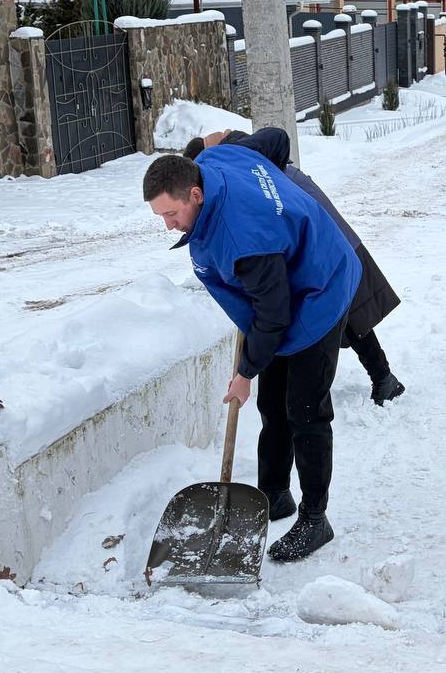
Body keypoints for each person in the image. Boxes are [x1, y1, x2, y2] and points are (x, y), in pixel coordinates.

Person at [142, 147, 361, 562]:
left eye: (171, 215)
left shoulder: (242, 239)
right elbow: (229, 144)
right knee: (273, 403)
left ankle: (316, 520)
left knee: (306, 409)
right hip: (285, 277)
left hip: (320, 288)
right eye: (161, 217)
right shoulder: (212, 163)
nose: (169, 226)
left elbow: (273, 316)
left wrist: (245, 372)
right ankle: (274, 493)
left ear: (195, 195)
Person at [185, 128, 405, 407]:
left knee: (351, 308)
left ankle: (384, 377)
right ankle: (383, 377)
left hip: (318, 233)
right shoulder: (237, 156)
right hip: (310, 230)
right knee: (345, 309)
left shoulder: (237, 167)